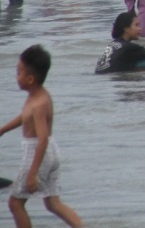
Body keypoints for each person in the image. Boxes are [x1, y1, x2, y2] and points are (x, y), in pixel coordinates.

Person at [0, 46, 83, 228]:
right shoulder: (38, 96)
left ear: (30, 79)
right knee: (53, 203)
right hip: (51, 152)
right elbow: (24, 117)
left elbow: (42, 138)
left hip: (38, 153)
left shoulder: (38, 104)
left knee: (15, 204)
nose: (16, 77)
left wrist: (33, 173)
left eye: (18, 72)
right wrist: (3, 129)